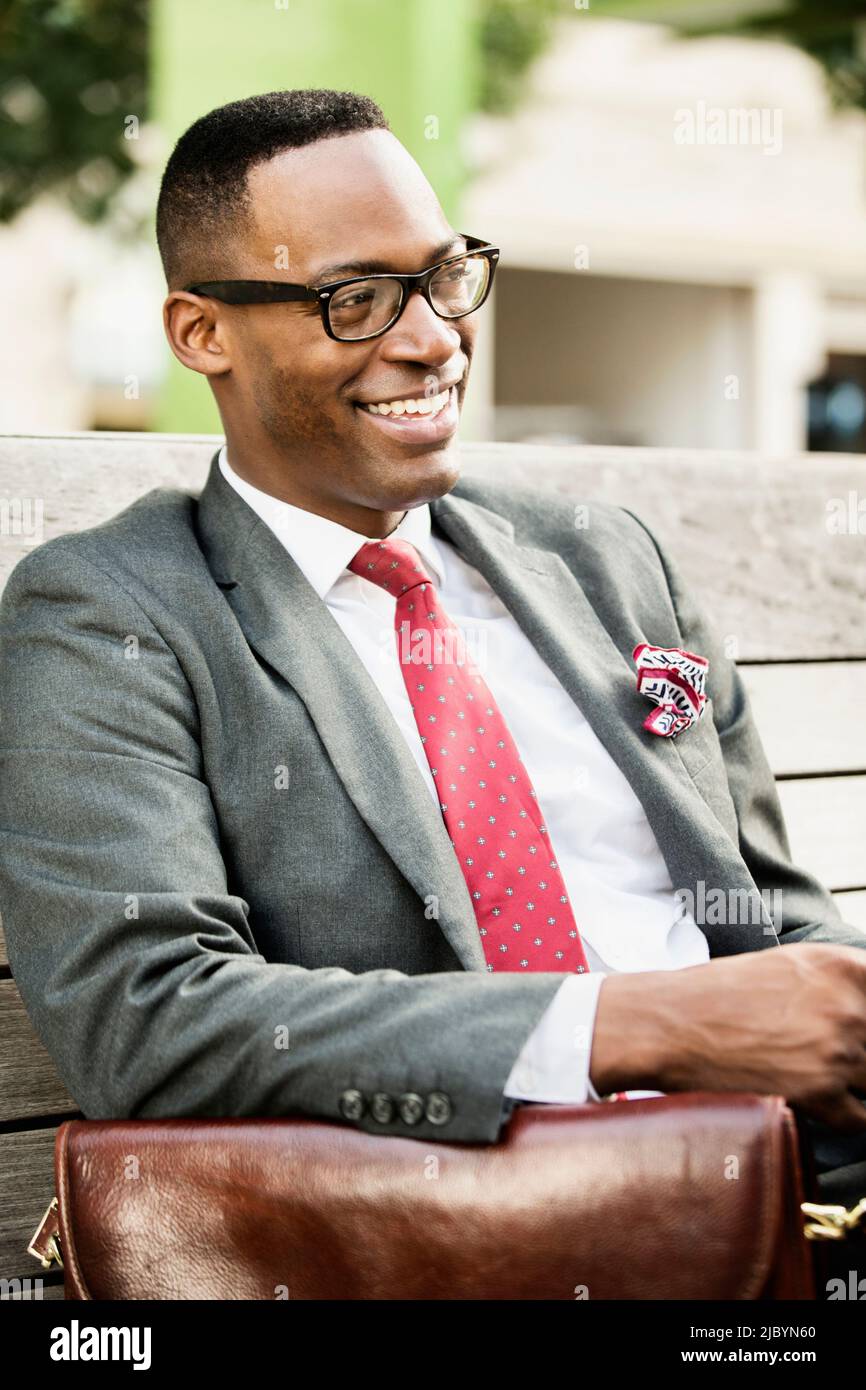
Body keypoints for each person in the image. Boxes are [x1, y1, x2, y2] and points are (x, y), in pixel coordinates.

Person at [1, 92, 865, 1240]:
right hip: (459, 1228)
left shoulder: (603, 560)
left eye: (443, 277)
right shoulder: (109, 611)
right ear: (201, 331)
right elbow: (148, 1019)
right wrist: (634, 1025)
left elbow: (769, 925)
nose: (432, 338)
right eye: (354, 299)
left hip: (783, 1196)